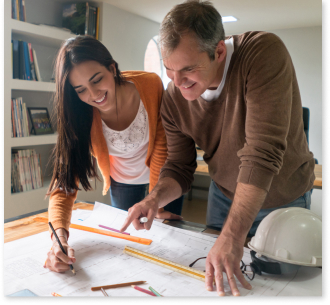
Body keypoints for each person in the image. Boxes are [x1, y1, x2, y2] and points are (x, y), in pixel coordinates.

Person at [120, 0, 315, 297]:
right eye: (169, 70)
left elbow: (262, 153)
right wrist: (155, 198)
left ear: (219, 51)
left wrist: (233, 237)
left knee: (281, 291)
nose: (177, 83)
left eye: (188, 70)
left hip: (283, 197)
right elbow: (179, 166)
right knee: (217, 283)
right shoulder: (175, 96)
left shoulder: (262, 52)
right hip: (224, 196)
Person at [45, 35, 183, 273]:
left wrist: (156, 199)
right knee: (128, 253)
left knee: (168, 250)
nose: (94, 94)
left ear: (112, 68)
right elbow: (64, 184)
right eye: (80, 89)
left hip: (163, 180)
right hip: (122, 183)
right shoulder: (80, 114)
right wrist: (60, 236)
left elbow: (163, 144)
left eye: (97, 80)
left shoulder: (150, 84)